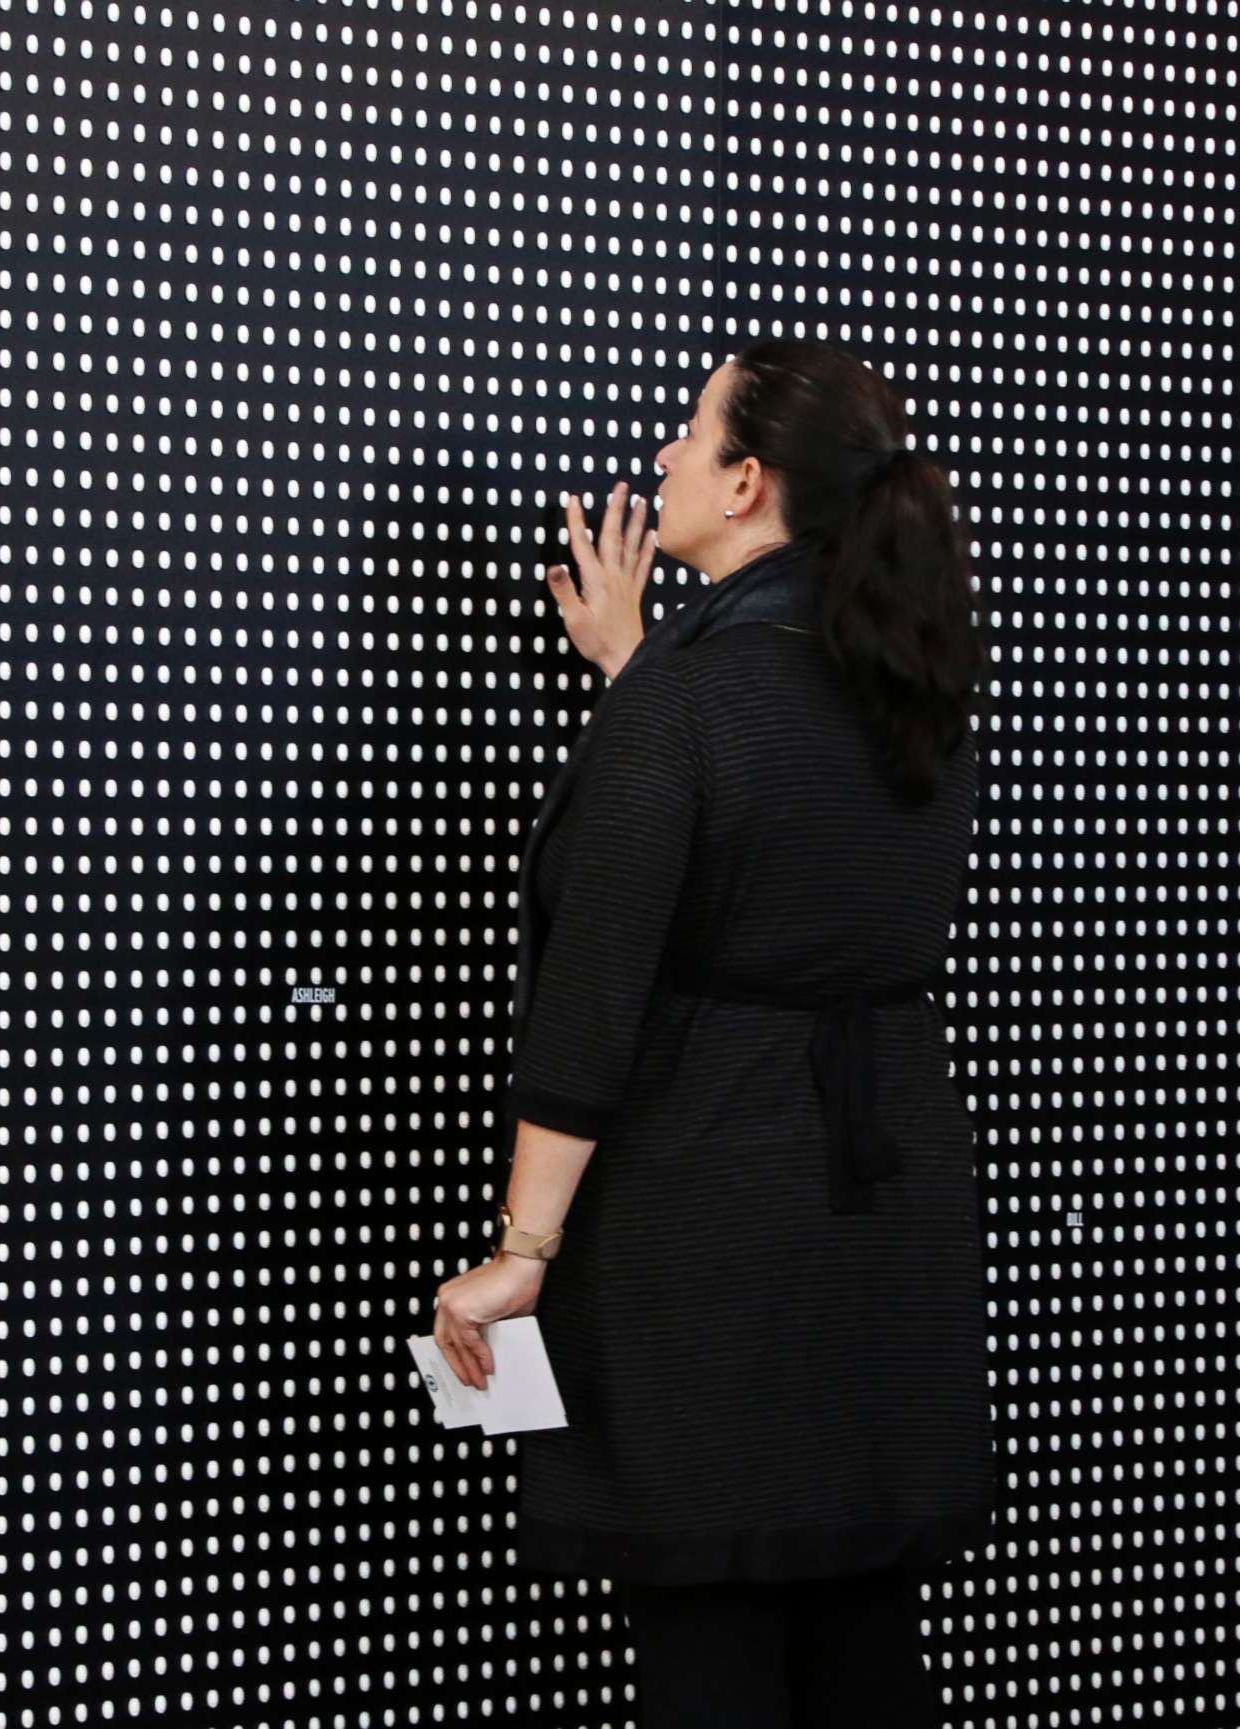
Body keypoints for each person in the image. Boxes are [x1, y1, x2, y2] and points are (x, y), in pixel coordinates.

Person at [431, 337, 1001, 1725]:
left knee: (717, 1649)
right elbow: (768, 853)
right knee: (860, 1630)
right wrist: (639, 668)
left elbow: (593, 1001)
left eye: (691, 434)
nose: (666, 457)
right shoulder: (908, 693)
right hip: (882, 1219)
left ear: (747, 483)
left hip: (714, 1232)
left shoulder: (688, 707)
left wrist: (522, 1253)